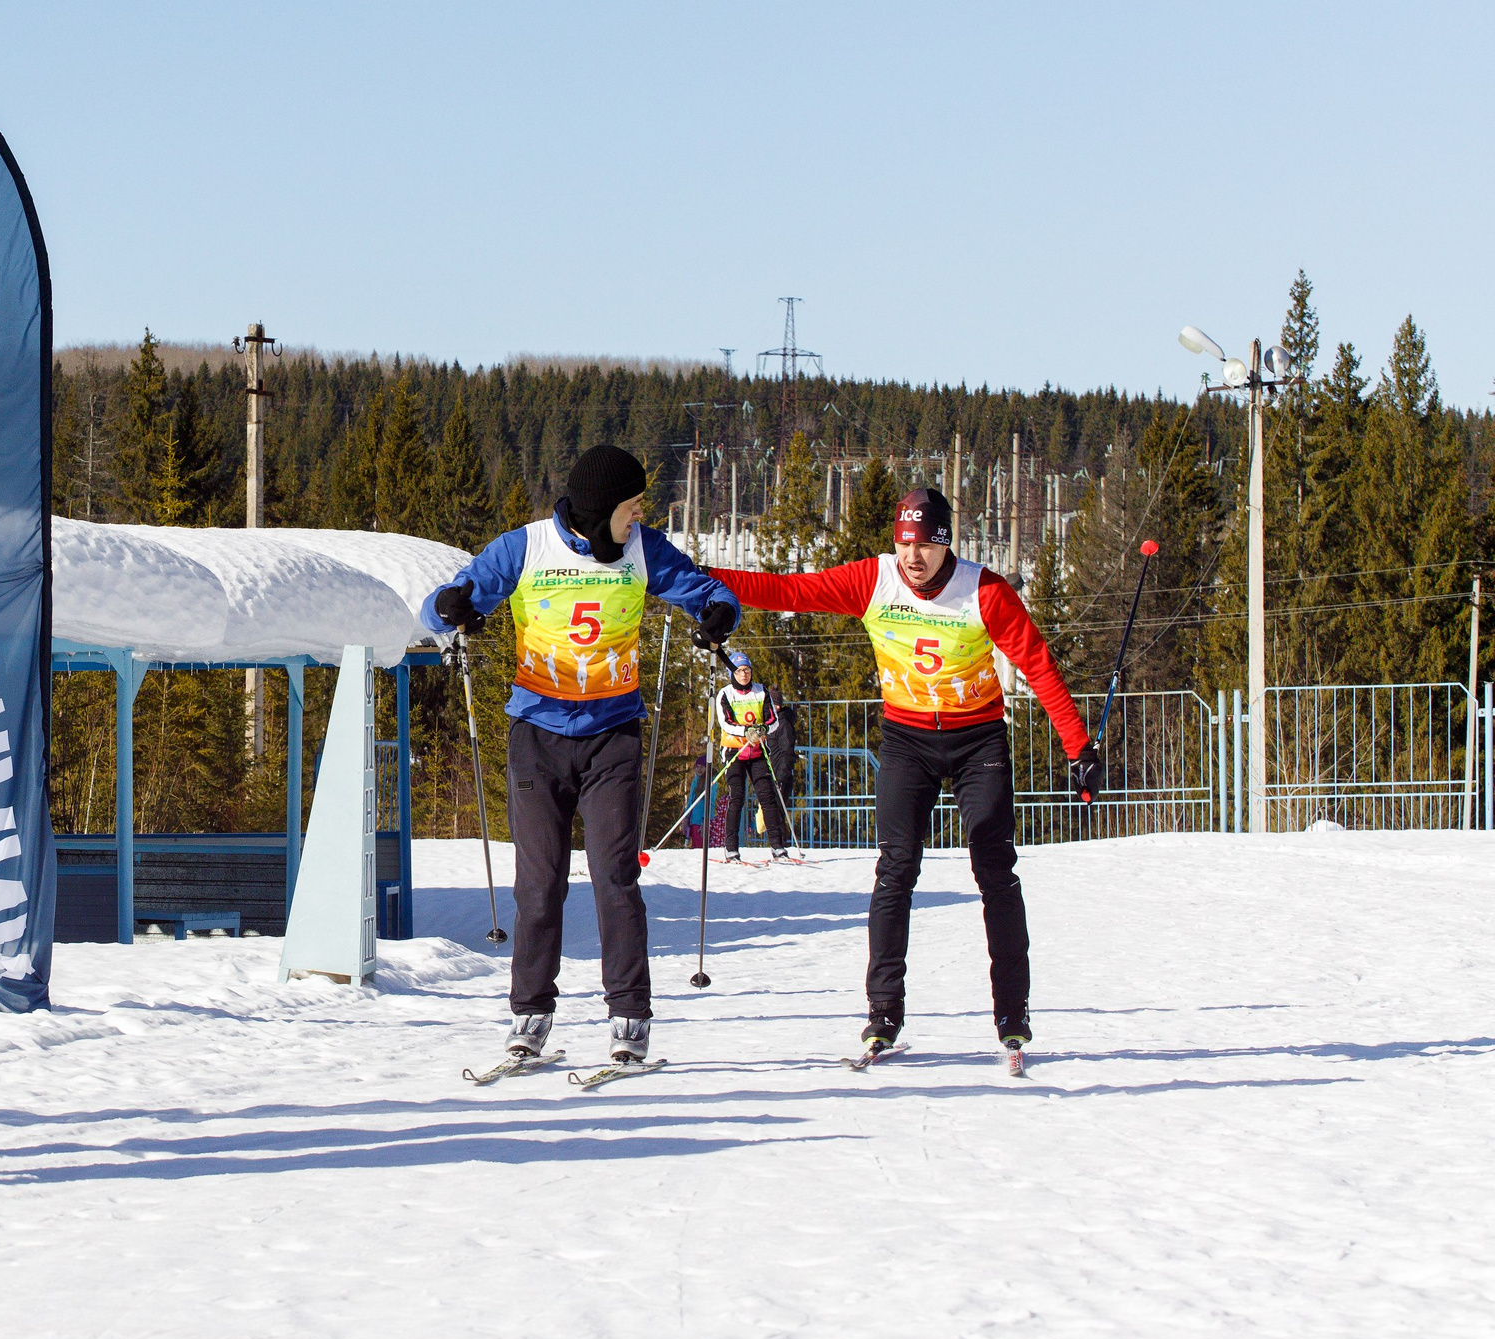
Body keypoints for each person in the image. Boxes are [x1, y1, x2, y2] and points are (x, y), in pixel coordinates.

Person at [711, 487, 1101, 1065]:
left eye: (924, 544)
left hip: (977, 740)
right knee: (895, 870)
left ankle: (1012, 1012)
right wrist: (704, 577)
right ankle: (883, 1016)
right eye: (903, 542)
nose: (911, 556)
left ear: (946, 544)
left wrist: (1078, 747)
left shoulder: (984, 590)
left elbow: (1036, 664)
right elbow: (792, 590)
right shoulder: (876, 581)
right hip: (906, 741)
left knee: (995, 868)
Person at [422, 444, 738, 1071]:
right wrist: (450, 608)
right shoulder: (527, 548)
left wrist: (718, 610)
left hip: (612, 735)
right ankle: (530, 1014)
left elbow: (702, 589)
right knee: (538, 885)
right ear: (599, 511)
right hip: (536, 735)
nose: (638, 518)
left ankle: (630, 1015)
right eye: (630, 508)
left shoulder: (642, 551)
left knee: (615, 878)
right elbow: (449, 600)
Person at [710, 649, 798, 866]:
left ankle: (778, 847)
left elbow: (773, 720)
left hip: (758, 751)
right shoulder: (725, 694)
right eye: (739, 671)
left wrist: (761, 730)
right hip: (735, 751)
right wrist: (745, 732)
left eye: (747, 671)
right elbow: (725, 723)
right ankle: (731, 848)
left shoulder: (761, 691)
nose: (744, 675)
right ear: (732, 673)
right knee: (736, 797)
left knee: (767, 797)